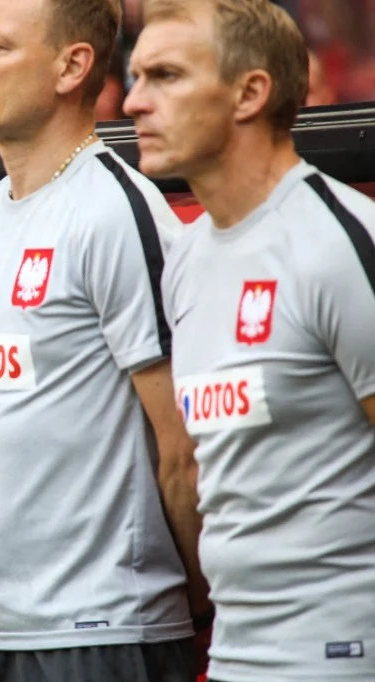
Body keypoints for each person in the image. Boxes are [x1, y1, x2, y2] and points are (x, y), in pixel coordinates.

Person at [0, 0, 208, 680]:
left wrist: (198, 601)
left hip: (103, 629)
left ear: (72, 66)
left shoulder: (116, 209)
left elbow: (183, 446)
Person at [124, 2, 375, 681]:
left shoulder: (338, 244)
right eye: (136, 76)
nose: (134, 101)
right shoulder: (188, 254)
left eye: (166, 76)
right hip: (234, 652)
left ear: (250, 93)